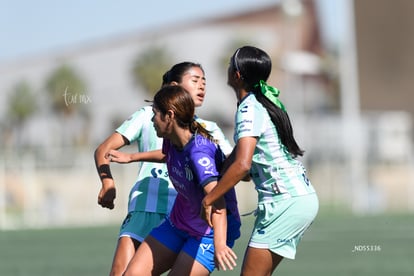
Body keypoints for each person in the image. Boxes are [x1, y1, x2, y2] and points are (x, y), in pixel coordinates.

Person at [94, 62, 233, 276]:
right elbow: (165, 153)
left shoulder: (203, 138)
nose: (202, 87)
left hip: (202, 223)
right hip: (156, 212)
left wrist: (247, 164)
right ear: (174, 87)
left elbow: (222, 187)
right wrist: (122, 165)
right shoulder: (162, 127)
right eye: (195, 81)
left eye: (204, 81)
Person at [201, 45, 319, 275]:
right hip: (297, 197)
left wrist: (209, 199)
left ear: (236, 75)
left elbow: (242, 164)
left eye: (229, 65)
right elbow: (241, 166)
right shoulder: (259, 103)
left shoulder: (248, 109)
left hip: (286, 201)